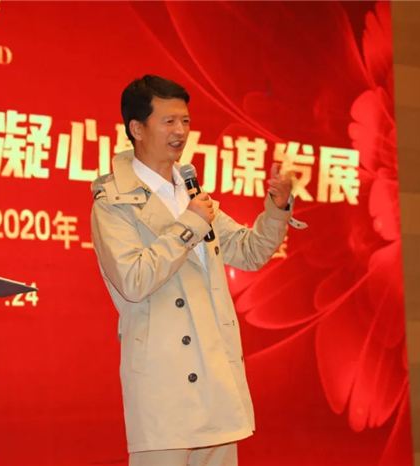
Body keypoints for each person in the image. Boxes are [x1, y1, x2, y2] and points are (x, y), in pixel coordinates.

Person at [89, 75, 304, 466]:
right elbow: (133, 280)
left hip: (215, 378)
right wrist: (188, 224)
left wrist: (277, 208)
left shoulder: (192, 195)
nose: (181, 131)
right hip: (163, 385)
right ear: (137, 128)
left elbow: (250, 252)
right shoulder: (113, 202)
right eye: (169, 121)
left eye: (185, 121)